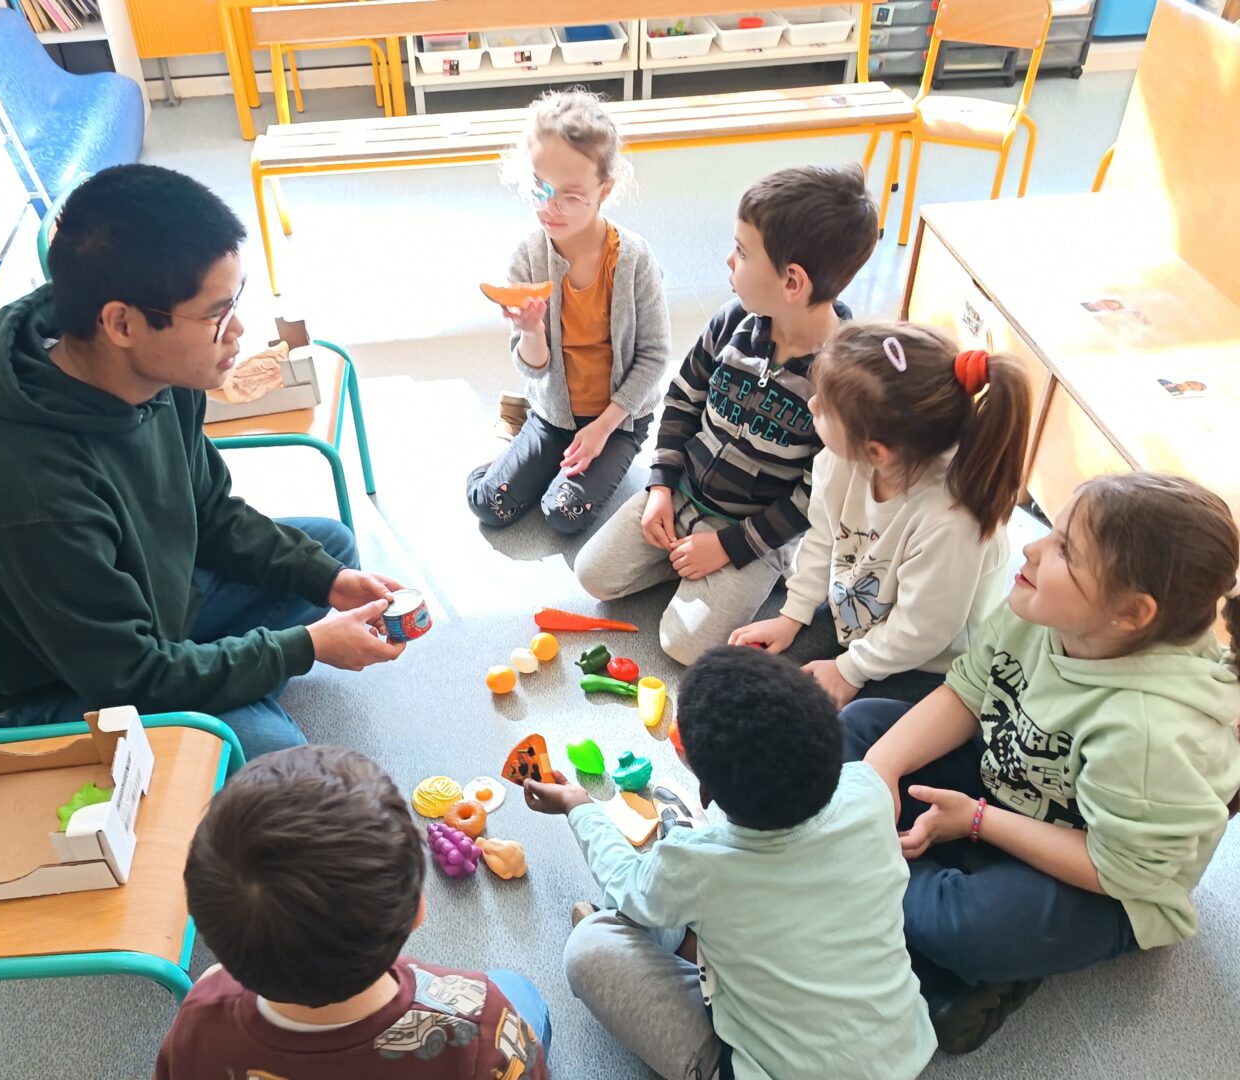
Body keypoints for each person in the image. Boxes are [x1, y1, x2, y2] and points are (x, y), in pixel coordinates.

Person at [0, 165, 403, 759]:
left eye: (235, 302)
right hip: (49, 688)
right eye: (216, 314)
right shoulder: (23, 485)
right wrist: (304, 648)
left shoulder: (162, 372)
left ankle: (218, 685)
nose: (238, 330)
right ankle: (221, 695)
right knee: (271, 753)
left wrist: (325, 581)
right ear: (122, 323)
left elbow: (210, 513)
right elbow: (126, 676)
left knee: (329, 554)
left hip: (143, 612)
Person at [845, 472, 1240, 1053]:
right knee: (862, 727)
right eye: (1052, 530)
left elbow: (1118, 869)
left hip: (1105, 874)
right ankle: (906, 923)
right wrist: (882, 765)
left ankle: (867, 880)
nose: (1032, 548)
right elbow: (969, 691)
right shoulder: (1035, 603)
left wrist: (976, 820)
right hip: (1012, 778)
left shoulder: (1151, 733)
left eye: (1065, 552)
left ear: (1131, 612)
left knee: (967, 926)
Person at [523, 646, 935, 1080]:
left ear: (707, 793)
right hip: (903, 1048)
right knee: (705, 902)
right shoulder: (869, 790)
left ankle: (673, 935)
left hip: (766, 1070)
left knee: (590, 947)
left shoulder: (699, 866)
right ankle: (686, 931)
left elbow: (625, 879)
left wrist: (577, 805)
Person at [574, 164, 878, 663]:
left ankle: (721, 568)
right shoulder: (732, 320)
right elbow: (683, 399)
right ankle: (685, 559)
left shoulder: (839, 379)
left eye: (742, 251)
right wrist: (660, 487)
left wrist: (727, 548)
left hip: (754, 531)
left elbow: (816, 496)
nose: (728, 260)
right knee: (592, 575)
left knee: (683, 645)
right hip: (683, 493)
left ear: (792, 281)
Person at [156, 745, 551, 1079]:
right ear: (417, 908)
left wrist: (216, 985)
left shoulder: (199, 1019)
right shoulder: (479, 1019)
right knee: (519, 990)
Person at [730, 323, 1031, 706]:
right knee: (756, 682)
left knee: (833, 725)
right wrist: (792, 615)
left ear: (877, 452)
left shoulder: (951, 521)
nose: (811, 405)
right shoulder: (838, 460)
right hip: (859, 623)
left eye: (825, 407)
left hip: (929, 665)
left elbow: (922, 630)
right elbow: (822, 539)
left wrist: (850, 670)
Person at [466, 88, 671, 536]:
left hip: (617, 421)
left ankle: (532, 440)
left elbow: (655, 356)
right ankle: (510, 431)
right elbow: (534, 368)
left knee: (565, 514)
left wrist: (602, 428)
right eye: (539, 188)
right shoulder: (527, 257)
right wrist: (531, 331)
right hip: (552, 414)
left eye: (571, 196)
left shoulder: (634, 259)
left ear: (605, 190)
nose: (549, 208)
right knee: (488, 505)